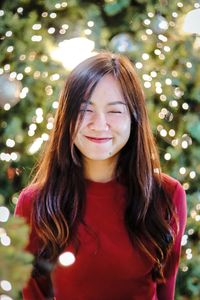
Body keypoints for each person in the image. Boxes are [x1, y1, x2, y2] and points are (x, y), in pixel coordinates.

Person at [15, 51, 187, 300]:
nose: (99, 124)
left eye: (115, 112)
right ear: (67, 118)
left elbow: (165, 291)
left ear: (134, 119)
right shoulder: (34, 203)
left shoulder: (167, 195)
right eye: (85, 110)